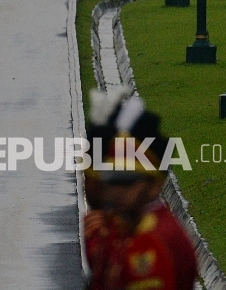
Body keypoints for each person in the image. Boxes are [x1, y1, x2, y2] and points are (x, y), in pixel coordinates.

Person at [84, 87, 198, 290]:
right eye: (111, 181)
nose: (115, 191)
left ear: (154, 186)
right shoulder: (123, 226)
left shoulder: (150, 244)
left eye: (128, 183)